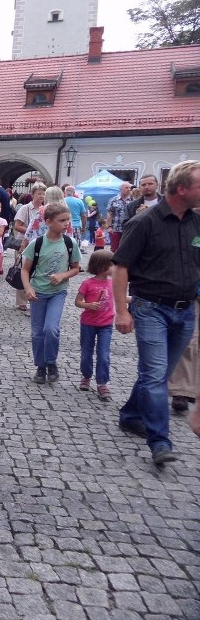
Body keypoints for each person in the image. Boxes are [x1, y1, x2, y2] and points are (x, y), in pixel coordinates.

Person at [113, 160, 200, 465]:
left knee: (159, 373)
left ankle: (130, 414)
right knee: (155, 376)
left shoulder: (195, 222)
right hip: (150, 308)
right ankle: (160, 441)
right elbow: (121, 266)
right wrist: (122, 311)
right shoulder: (145, 222)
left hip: (186, 311)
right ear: (181, 188)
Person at [21, 202, 81, 384]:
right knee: (37, 332)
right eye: (62, 220)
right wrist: (28, 288)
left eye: (67, 220)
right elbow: (25, 269)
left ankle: (51, 361)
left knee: (51, 329)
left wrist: (63, 275)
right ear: (48, 221)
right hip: (38, 292)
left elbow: (76, 268)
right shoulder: (37, 244)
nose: (66, 224)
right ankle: (40, 366)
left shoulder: (70, 243)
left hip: (58, 292)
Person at [74, 249, 115, 400]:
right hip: (88, 323)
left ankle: (102, 382)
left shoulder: (113, 283)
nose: (114, 268)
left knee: (104, 355)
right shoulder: (88, 283)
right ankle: (86, 375)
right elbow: (77, 302)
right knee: (86, 352)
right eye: (112, 265)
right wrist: (89, 305)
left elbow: (122, 297)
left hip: (106, 324)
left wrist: (137, 299)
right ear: (102, 266)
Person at [12, 183, 45, 311]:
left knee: (36, 272)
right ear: (33, 195)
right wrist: (32, 231)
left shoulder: (44, 210)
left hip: (39, 244)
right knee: (23, 271)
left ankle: (34, 297)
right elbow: (17, 226)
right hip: (24, 244)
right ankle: (22, 301)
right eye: (39, 194)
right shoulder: (25, 208)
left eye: (43, 194)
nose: (41, 196)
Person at [103, 181, 133, 252]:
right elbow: (109, 214)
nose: (129, 189)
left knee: (127, 249)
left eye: (130, 188)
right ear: (121, 189)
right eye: (126, 187)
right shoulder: (113, 200)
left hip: (128, 229)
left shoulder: (133, 200)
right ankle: (114, 263)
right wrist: (109, 227)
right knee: (114, 249)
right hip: (115, 229)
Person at [63, 186, 87, 253]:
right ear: (74, 192)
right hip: (76, 226)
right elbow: (84, 215)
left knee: (64, 245)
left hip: (64, 226)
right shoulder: (79, 202)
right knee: (76, 246)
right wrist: (84, 227)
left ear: (65, 192)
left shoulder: (61, 201)